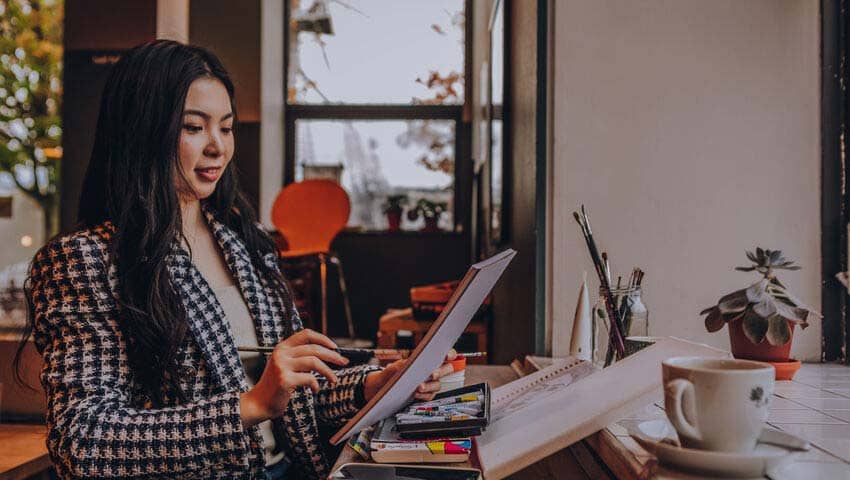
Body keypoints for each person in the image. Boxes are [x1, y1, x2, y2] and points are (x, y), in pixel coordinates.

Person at [22, 40, 457, 480]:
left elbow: (292, 394)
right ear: (141, 131)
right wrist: (248, 406)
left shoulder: (242, 242)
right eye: (194, 127)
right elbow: (83, 441)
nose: (217, 147)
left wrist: (372, 386)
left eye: (226, 128)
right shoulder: (84, 260)